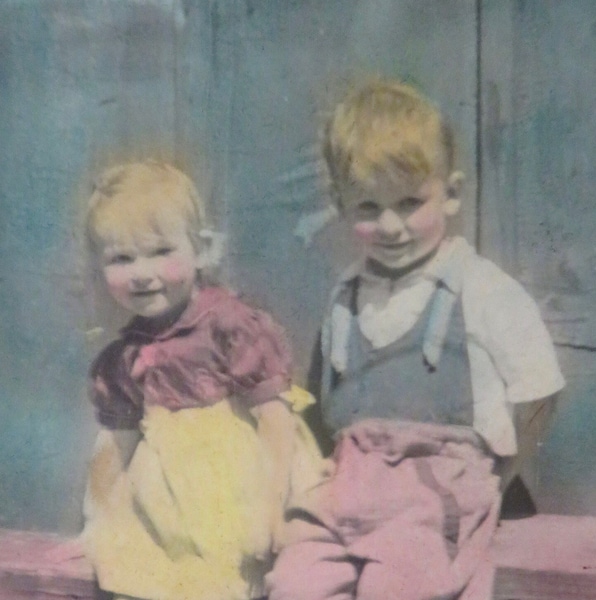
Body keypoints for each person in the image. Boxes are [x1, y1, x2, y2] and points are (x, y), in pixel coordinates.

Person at [267, 80, 565, 600]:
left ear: (449, 193)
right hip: (351, 485)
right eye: (368, 208)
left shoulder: (481, 288)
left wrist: (497, 474)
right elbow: (326, 400)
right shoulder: (346, 294)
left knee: (397, 586)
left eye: (409, 202)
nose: (391, 226)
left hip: (440, 487)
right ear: (340, 205)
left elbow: (540, 392)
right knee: (293, 581)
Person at [80, 161, 322, 600]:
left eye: (160, 252)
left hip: (242, 488)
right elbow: (114, 445)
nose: (141, 272)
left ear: (202, 251)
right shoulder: (125, 357)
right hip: (169, 508)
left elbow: (274, 418)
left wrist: (269, 504)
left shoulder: (229, 326)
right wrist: (97, 519)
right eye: (122, 258)